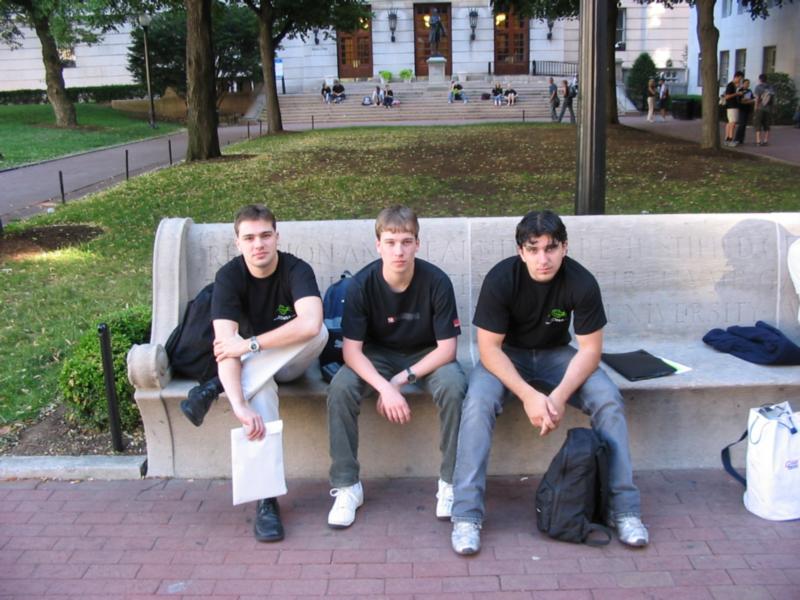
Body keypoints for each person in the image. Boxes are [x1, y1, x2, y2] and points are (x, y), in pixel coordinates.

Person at [450, 210, 648, 556]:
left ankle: (624, 509)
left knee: (608, 398)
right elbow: (489, 349)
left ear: (564, 247)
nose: (543, 259)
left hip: (557, 355)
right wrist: (529, 396)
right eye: (534, 249)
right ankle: (466, 514)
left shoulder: (581, 282)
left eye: (551, 248)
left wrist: (556, 397)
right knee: (477, 402)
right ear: (521, 251)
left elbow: (590, 351)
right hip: (507, 355)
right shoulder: (501, 279)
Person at [326, 205, 467, 529]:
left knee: (454, 386)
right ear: (378, 245)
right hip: (376, 354)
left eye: (406, 242)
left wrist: (401, 380)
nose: (398, 251)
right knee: (341, 388)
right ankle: (347, 486)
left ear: (418, 243)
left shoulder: (436, 281)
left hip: (427, 354)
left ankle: (450, 482)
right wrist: (384, 387)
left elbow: (447, 348)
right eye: (390, 242)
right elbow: (351, 352)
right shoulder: (361, 284)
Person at [208, 204, 328, 543]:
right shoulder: (229, 277)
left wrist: (251, 345)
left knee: (318, 332)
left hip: (292, 363)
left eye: (265, 235)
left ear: (277, 237)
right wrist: (239, 405)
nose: (258, 244)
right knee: (259, 392)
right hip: (254, 371)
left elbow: (311, 324)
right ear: (237, 242)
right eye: (249, 238)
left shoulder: (296, 269)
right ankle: (266, 500)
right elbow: (224, 346)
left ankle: (211, 387)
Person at [753, 73, 775, 146]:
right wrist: (772, 108)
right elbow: (772, 99)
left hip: (760, 108)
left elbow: (757, 99)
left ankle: (758, 141)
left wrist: (755, 108)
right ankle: (765, 140)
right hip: (768, 109)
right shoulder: (770, 87)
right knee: (767, 125)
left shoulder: (758, 87)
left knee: (758, 124)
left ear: (760, 79)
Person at [724, 71, 744, 146]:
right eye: (740, 79)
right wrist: (737, 94)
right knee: (732, 123)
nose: (740, 80)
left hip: (733, 106)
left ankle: (727, 138)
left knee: (730, 123)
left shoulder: (734, 86)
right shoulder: (730, 85)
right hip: (731, 106)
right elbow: (727, 96)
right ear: (736, 77)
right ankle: (730, 139)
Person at [734, 78, 755, 145]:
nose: (747, 85)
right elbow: (741, 101)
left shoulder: (749, 91)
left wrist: (749, 101)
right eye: (746, 83)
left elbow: (752, 99)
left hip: (747, 109)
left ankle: (741, 139)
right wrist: (747, 101)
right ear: (743, 84)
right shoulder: (740, 90)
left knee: (744, 125)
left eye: (748, 83)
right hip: (742, 109)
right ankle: (736, 138)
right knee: (741, 124)